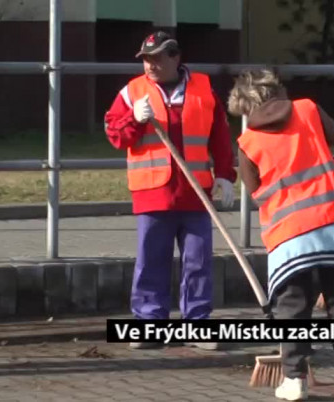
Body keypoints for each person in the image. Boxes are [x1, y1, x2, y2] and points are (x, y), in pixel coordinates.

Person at [229, 68, 334, 401]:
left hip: (289, 238)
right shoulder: (307, 108)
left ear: (246, 106)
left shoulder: (247, 143)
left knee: (293, 308)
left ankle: (294, 380)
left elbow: (255, 190)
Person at [103, 31, 237, 350]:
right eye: (146, 59)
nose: (150, 65)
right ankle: (149, 324)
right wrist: (134, 119)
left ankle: (197, 325)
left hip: (196, 193)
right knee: (151, 261)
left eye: (157, 58)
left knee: (198, 262)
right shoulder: (132, 93)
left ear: (176, 58)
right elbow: (115, 134)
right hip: (153, 193)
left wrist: (225, 175)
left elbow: (220, 134)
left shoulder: (203, 88)